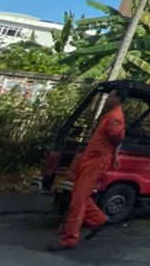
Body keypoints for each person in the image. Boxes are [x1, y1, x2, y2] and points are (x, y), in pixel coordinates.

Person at [50, 91, 125, 251]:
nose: (108, 98)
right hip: (92, 159)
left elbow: (118, 136)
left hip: (97, 160)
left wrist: (113, 153)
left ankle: (69, 239)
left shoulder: (114, 117)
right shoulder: (111, 115)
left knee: (78, 200)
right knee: (80, 194)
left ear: (117, 98)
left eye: (111, 95)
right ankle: (98, 220)